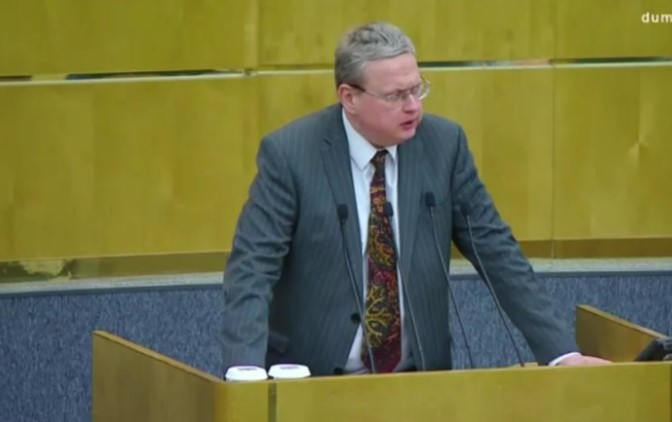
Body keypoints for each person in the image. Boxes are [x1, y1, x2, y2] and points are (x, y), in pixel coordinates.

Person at [221, 22, 609, 376]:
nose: (413, 106)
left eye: (416, 88)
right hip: (313, 380)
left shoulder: (443, 145)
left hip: (418, 381)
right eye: (395, 95)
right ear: (349, 97)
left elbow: (497, 253)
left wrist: (561, 353)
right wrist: (244, 371)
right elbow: (252, 268)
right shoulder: (291, 155)